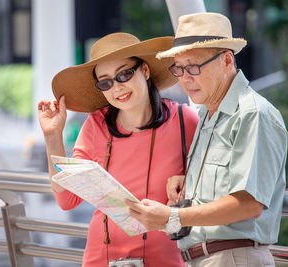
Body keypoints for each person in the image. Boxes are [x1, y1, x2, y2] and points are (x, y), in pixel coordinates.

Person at [126, 12, 288, 266]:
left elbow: (249, 204)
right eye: (178, 68)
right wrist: (190, 185)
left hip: (233, 257)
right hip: (208, 257)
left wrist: (173, 216)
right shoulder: (207, 114)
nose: (185, 78)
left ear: (226, 60)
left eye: (193, 67)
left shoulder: (252, 113)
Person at [38, 32, 199, 267]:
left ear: (144, 70)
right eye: (106, 82)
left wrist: (189, 184)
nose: (117, 88)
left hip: (166, 259)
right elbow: (67, 200)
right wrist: (53, 136)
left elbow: (212, 190)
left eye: (124, 74)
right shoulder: (96, 126)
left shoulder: (185, 121)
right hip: (102, 259)